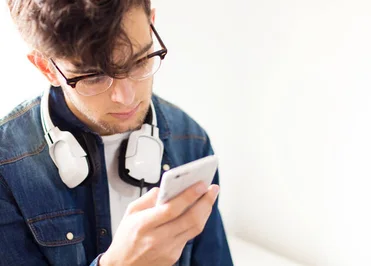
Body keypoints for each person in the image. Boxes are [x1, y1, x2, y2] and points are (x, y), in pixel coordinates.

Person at [0, 0, 234, 265]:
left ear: (151, 26)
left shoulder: (191, 141)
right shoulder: (6, 169)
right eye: (93, 76)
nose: (126, 97)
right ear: (46, 68)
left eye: (139, 60)